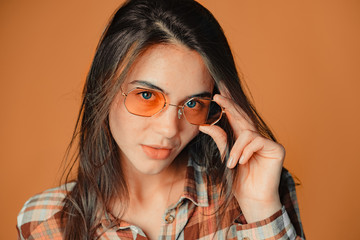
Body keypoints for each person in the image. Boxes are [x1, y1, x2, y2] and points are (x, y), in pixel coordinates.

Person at [16, 0, 305, 239]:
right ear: (102, 88)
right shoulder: (45, 222)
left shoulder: (256, 192)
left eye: (193, 103)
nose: (169, 130)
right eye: (146, 95)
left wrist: (260, 208)